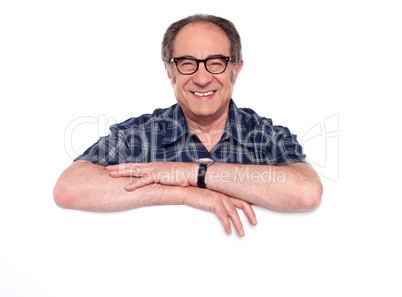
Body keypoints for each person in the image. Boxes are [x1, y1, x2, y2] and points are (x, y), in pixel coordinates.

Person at [53, 14, 323, 237]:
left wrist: (193, 173)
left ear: (236, 69)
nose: (202, 78)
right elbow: (70, 188)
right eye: (187, 64)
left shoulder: (266, 135)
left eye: (216, 63)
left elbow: (306, 192)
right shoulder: (138, 136)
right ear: (169, 71)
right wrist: (182, 194)